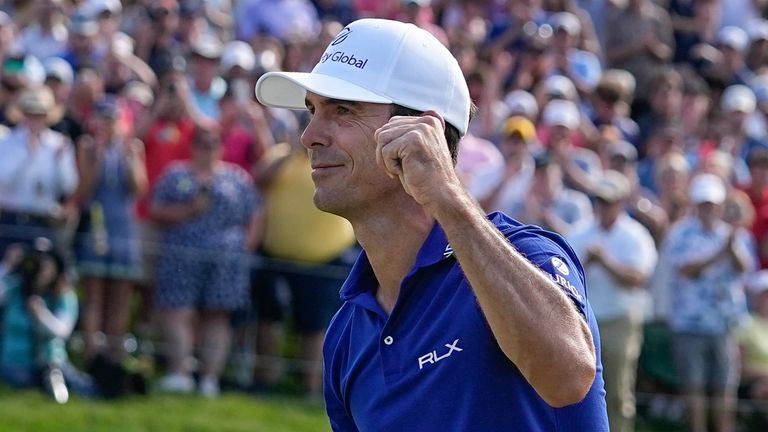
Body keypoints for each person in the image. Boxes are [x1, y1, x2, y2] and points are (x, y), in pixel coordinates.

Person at [255, 18, 608, 430]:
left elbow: (569, 377)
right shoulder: (346, 333)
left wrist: (448, 196)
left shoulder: (528, 255)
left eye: (343, 110)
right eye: (314, 111)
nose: (310, 135)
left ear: (424, 133)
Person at [150, 126, 262, 397]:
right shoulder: (176, 174)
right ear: (192, 145)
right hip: (181, 255)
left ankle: (209, 380)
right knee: (178, 311)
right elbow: (155, 209)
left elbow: (256, 212)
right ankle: (180, 374)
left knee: (218, 314)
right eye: (201, 142)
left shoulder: (236, 178)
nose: (207, 147)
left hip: (227, 257)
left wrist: (246, 246)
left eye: (213, 142)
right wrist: (187, 210)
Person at [658, 173, 754, 432]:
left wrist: (732, 245)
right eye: (703, 204)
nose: (708, 209)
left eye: (712, 204)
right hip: (690, 324)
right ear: (695, 205)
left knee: (724, 388)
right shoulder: (680, 233)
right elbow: (686, 269)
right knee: (695, 388)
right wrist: (719, 251)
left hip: (724, 324)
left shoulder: (732, 234)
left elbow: (744, 268)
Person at [567, 170, 658, 432]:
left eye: (608, 201)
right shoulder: (580, 232)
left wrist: (604, 261)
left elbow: (639, 277)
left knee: (618, 391)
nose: (602, 206)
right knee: (577, 390)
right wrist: (588, 261)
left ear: (621, 202)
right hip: (583, 321)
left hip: (620, 319)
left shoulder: (635, 235)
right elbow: (566, 277)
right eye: (599, 200)